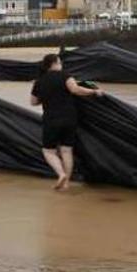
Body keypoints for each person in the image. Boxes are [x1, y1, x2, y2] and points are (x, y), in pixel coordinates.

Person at [29, 53, 105, 190]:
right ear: (54, 63)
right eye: (60, 62)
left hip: (51, 120)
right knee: (66, 151)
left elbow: (33, 102)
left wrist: (46, 97)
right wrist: (94, 92)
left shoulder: (39, 81)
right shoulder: (66, 76)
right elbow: (75, 90)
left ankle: (60, 174)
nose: (61, 64)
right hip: (70, 118)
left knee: (48, 152)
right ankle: (66, 183)